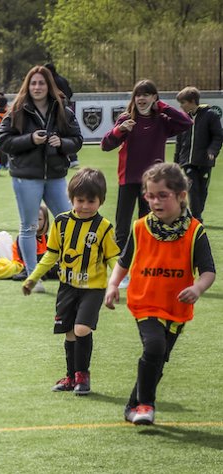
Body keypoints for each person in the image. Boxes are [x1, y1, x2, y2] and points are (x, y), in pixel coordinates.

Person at [104, 163, 215, 425]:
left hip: (176, 308)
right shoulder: (140, 227)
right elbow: (123, 262)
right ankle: (146, 406)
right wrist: (112, 285)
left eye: (163, 195)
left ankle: (132, 406)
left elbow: (208, 272)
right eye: (150, 196)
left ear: (181, 195)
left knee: (158, 359)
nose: (155, 202)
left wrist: (197, 288)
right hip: (145, 303)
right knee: (154, 347)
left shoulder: (195, 231)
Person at [23, 168, 121, 395]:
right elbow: (51, 254)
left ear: (101, 200)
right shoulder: (61, 222)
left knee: (81, 329)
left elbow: (113, 257)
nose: (85, 206)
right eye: (80, 200)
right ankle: (70, 376)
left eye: (91, 201)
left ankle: (83, 376)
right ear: (71, 198)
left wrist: (118, 281)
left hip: (93, 289)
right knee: (69, 332)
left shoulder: (104, 227)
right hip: (67, 286)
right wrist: (32, 278)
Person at [0, 65, 82, 281]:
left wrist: (61, 143)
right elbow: (3, 141)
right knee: (29, 227)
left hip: (55, 176)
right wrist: (30, 139)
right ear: (28, 86)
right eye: (33, 83)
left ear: (49, 85)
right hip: (26, 177)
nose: (37, 87)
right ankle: (33, 276)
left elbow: (77, 140)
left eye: (41, 83)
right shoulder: (17, 110)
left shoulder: (62, 109)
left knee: (69, 223)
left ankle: (70, 269)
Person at [101, 80, 192, 262]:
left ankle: (146, 261)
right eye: (138, 95)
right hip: (128, 180)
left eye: (146, 94)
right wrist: (119, 130)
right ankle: (120, 267)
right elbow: (105, 145)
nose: (141, 98)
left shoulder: (162, 120)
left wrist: (163, 107)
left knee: (149, 224)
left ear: (154, 97)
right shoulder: (127, 119)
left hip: (153, 184)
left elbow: (187, 122)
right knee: (122, 228)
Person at [174, 86, 223, 223]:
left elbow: (218, 136)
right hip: (187, 162)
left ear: (192, 101)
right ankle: (196, 218)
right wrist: (176, 161)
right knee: (192, 188)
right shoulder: (183, 118)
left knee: (202, 190)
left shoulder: (210, 115)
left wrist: (212, 151)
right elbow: (179, 141)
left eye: (183, 103)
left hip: (204, 161)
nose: (181, 106)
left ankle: (197, 213)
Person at [43, 63, 79, 169]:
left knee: (58, 133)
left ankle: (70, 158)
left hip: (58, 109)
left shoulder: (52, 81)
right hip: (67, 106)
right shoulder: (63, 80)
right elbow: (70, 93)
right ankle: (73, 158)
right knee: (67, 132)